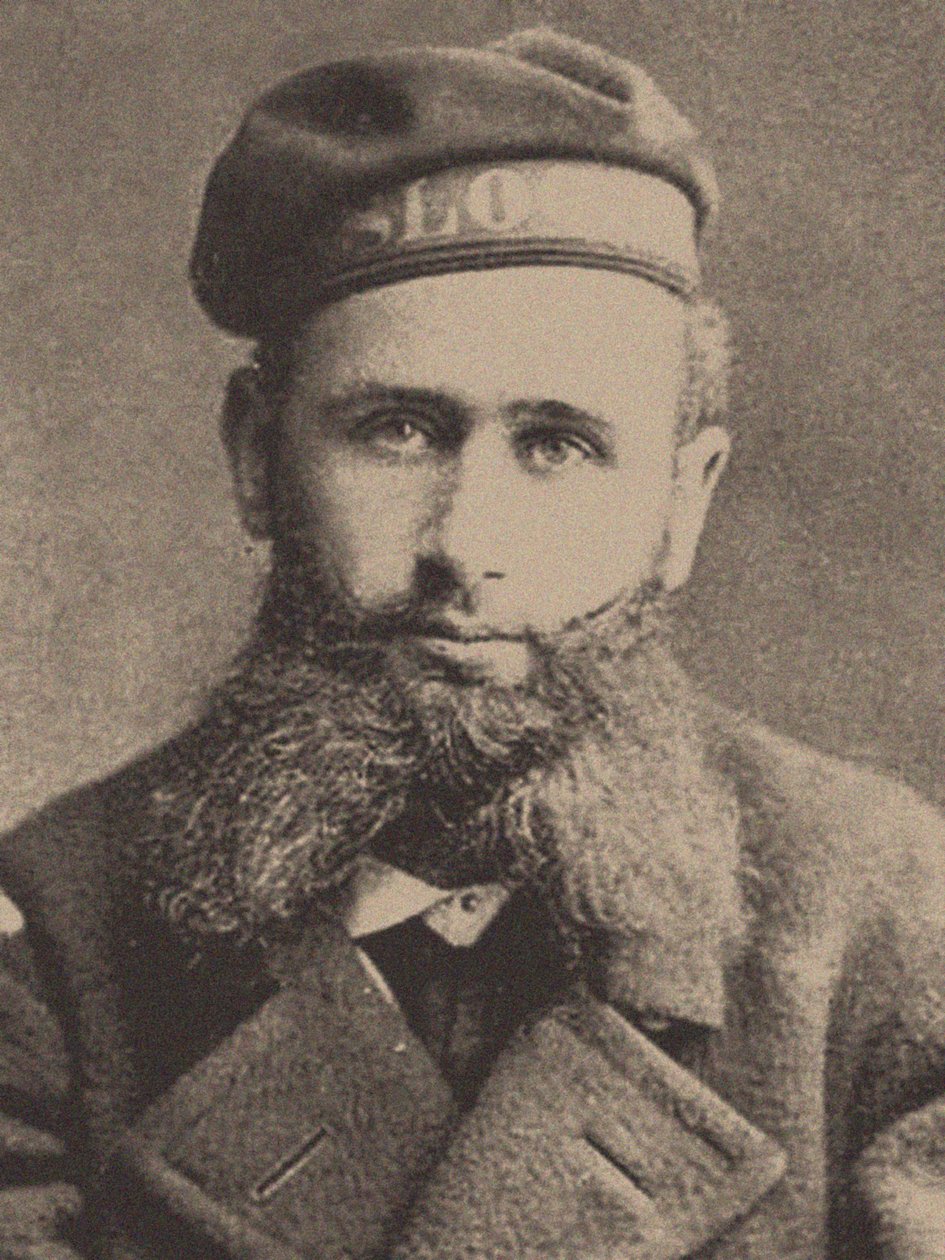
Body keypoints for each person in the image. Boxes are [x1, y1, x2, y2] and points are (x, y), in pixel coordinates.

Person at [1, 26, 944, 1260]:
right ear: (257, 458)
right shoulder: (54, 948)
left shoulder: (887, 933)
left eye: (559, 445)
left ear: (683, 504)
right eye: (397, 431)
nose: (466, 543)